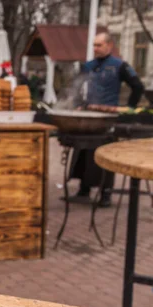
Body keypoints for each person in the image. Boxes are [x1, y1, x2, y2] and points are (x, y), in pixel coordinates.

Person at [70, 32, 144, 207]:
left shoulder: (120, 66)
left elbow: (138, 86)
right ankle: (84, 190)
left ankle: (106, 194)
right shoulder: (88, 66)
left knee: (104, 154)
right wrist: (77, 104)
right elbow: (77, 87)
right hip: (89, 115)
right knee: (84, 152)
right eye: (94, 45)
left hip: (107, 118)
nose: (95, 48)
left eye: (99, 45)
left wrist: (130, 108)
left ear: (109, 45)